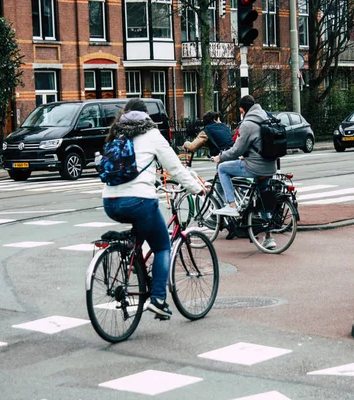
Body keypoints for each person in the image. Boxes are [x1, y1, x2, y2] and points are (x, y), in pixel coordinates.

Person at [102, 98, 205, 317]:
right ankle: (158, 299)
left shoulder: (116, 132)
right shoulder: (151, 134)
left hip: (109, 202)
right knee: (162, 246)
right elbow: (175, 168)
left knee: (140, 232)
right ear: (146, 116)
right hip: (139, 201)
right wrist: (197, 189)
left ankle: (132, 260)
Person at [211, 95, 277, 248]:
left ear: (242, 110)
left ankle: (231, 205)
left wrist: (220, 158)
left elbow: (236, 151)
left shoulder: (248, 124)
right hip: (270, 167)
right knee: (263, 199)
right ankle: (269, 237)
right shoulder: (266, 116)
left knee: (223, 169)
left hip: (255, 166)